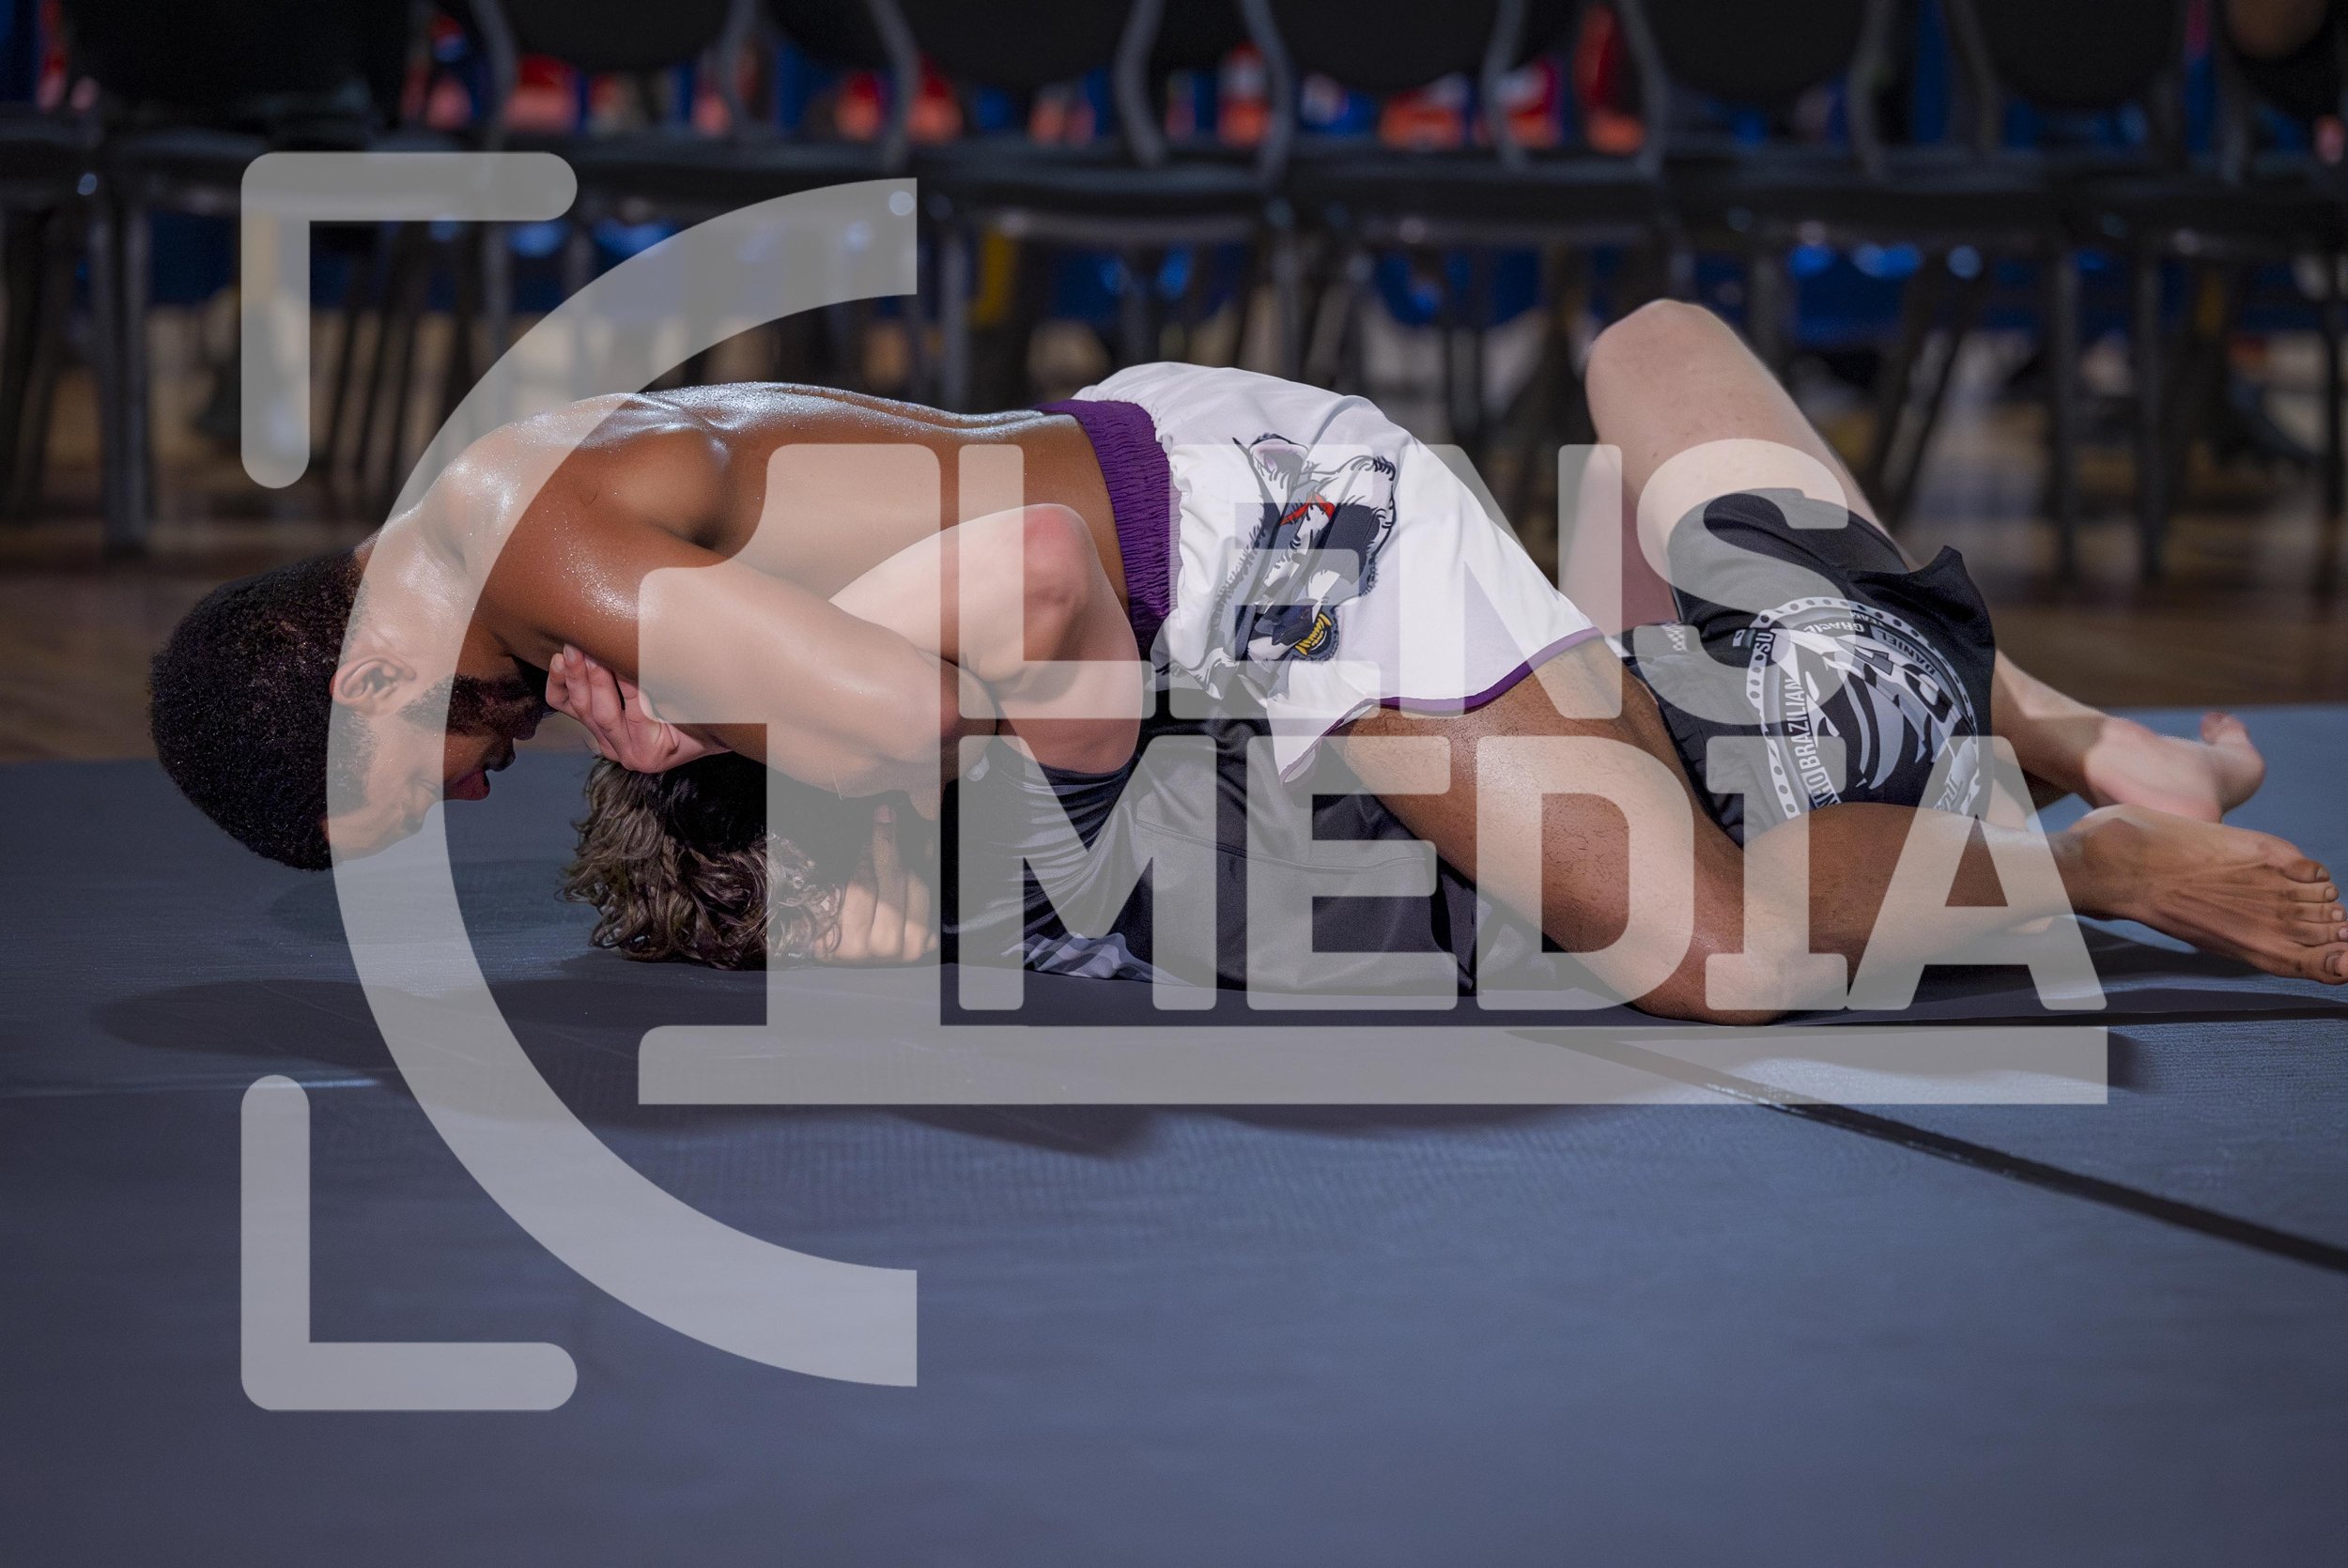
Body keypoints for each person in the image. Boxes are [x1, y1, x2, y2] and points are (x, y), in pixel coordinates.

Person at [149, 303, 2348, 1019]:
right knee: (1643, 788)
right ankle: (2041, 733)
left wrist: (728, 711)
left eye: (415, 791)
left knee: (1711, 960)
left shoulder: (536, 560)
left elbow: (965, 644)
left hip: (1259, 543)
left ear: (366, 693)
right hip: (1195, 508)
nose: (477, 794)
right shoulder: (499, 492)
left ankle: (2093, 870)